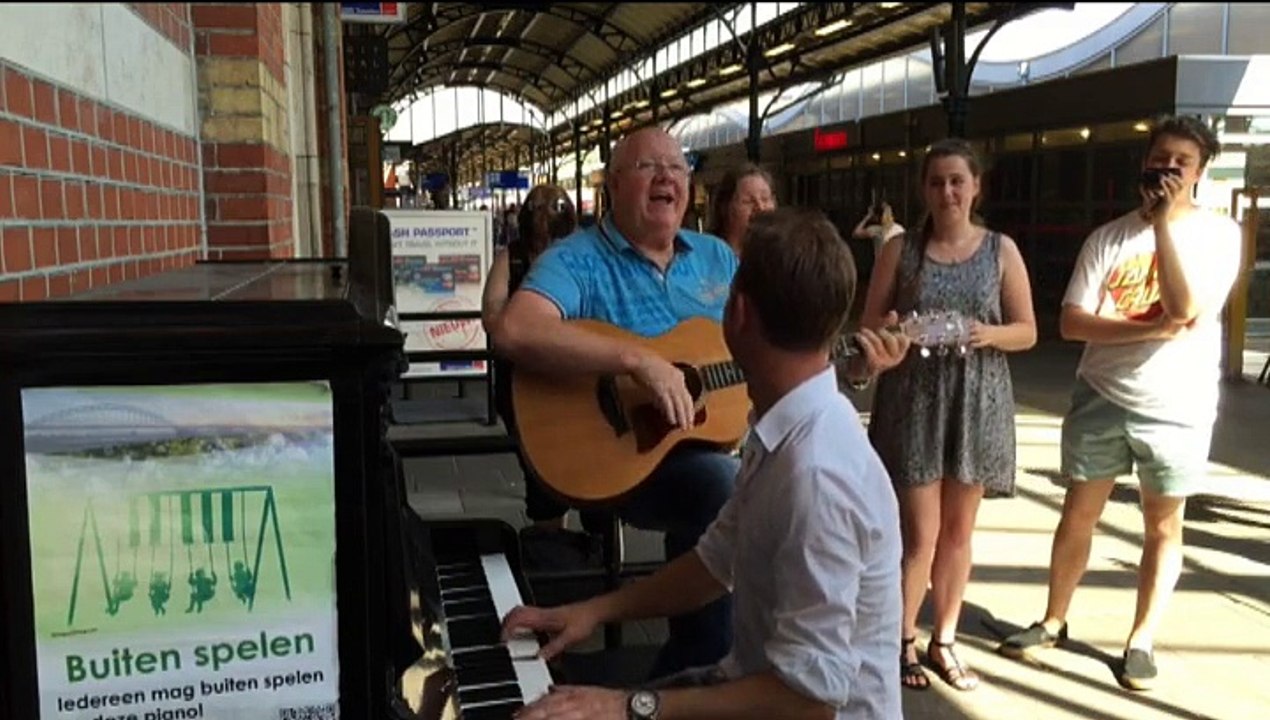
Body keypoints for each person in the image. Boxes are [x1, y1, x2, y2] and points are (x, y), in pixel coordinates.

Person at [489, 127, 903, 679]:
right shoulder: (578, 259)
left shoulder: (717, 257)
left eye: (677, 167)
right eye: (647, 167)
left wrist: (850, 369)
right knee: (721, 484)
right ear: (613, 185)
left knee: (727, 480)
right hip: (620, 453)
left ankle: (703, 673)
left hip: (721, 442)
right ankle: (706, 670)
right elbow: (516, 331)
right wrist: (637, 362)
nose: (665, 176)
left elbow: (782, 348)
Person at [997, 116, 1241, 691]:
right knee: (1079, 511)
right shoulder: (1105, 239)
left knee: (1163, 524)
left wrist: (1161, 228)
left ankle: (1141, 639)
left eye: (1182, 161)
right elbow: (1074, 321)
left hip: (1176, 404)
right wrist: (1148, 331)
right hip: (1102, 395)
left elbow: (1184, 308)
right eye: (1161, 157)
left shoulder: (1219, 235)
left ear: (1200, 172)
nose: (1169, 169)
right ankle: (1054, 618)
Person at [861, 138, 1037, 692]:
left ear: (976, 186)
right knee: (921, 533)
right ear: (924, 189)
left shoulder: (1001, 249)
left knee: (959, 532)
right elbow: (869, 327)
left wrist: (985, 333)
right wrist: (891, 335)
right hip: (913, 397)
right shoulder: (900, 250)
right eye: (936, 182)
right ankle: (900, 638)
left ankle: (946, 638)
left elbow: (1028, 330)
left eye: (957, 181)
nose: (947, 192)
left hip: (977, 399)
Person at [481, 184, 602, 549]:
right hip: (524, 380)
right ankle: (552, 545)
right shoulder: (512, 258)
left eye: (552, 207)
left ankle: (594, 541)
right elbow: (492, 315)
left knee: (590, 457)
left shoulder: (581, 254)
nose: (543, 215)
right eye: (536, 207)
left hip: (576, 377)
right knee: (539, 461)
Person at [708, 163, 776, 257]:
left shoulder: (781, 256)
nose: (760, 207)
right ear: (724, 207)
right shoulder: (708, 256)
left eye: (765, 199)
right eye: (748, 201)